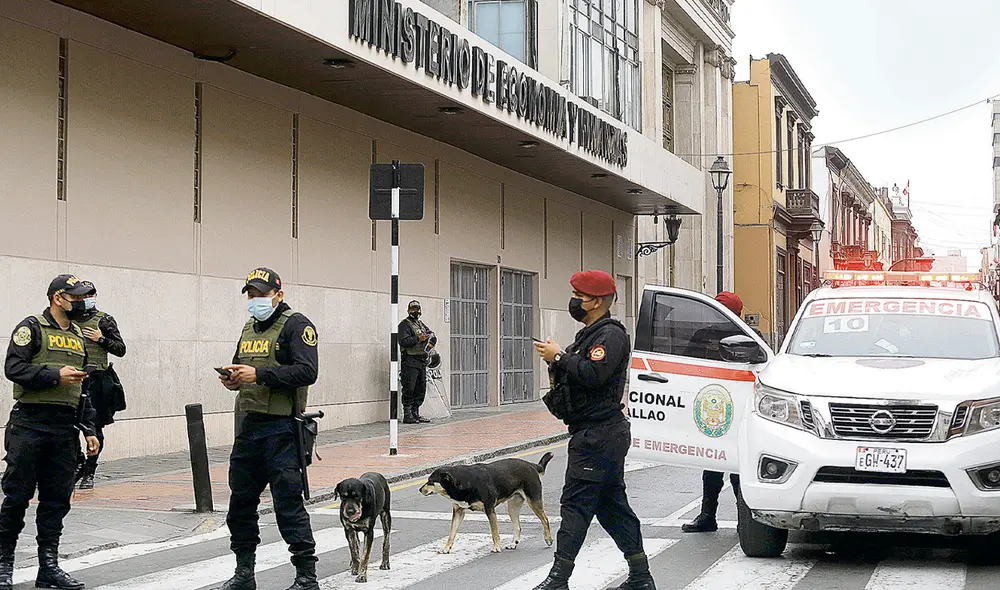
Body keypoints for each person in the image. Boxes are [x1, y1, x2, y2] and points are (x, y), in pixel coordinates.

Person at [532, 270, 655, 590]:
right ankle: (641, 577)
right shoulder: (590, 334)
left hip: (598, 436)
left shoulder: (611, 336)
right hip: (597, 434)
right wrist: (557, 360)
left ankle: (558, 580)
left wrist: (559, 355)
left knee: (575, 504)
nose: (574, 301)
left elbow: (594, 374)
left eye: (579, 296)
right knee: (612, 506)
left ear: (596, 301)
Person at [218, 267, 320, 590]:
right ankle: (244, 573)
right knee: (240, 505)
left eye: (261, 294)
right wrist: (233, 378)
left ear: (278, 295)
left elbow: (307, 371)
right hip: (249, 429)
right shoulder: (249, 328)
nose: (255, 300)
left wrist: (259, 376)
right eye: (251, 295)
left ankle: (306, 577)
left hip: (281, 430)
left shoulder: (296, 326)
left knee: (288, 505)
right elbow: (243, 366)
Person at [0, 274, 101, 590]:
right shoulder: (31, 328)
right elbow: (14, 369)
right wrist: (54, 375)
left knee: (57, 500)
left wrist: (89, 429)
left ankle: (49, 568)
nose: (82, 303)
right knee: (17, 498)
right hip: (29, 424)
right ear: (58, 297)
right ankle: (4, 568)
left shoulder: (77, 337)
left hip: (63, 428)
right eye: (77, 297)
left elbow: (82, 388)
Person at [681, 291, 754, 533]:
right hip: (714, 407)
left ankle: (736, 517)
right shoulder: (707, 334)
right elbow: (687, 366)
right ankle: (714, 516)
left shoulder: (748, 336)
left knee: (734, 467)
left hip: (733, 408)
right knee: (715, 464)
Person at [74, 280, 127, 490]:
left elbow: (120, 349)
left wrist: (101, 339)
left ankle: (89, 471)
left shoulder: (104, 320)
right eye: (82, 295)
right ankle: (77, 464)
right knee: (68, 427)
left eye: (90, 294)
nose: (86, 299)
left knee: (95, 428)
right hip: (74, 379)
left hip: (97, 381)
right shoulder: (69, 319)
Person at [397, 300, 435, 424]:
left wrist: (430, 338)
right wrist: (418, 338)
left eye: (418, 309)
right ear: (408, 310)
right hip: (410, 360)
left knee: (421, 388)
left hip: (421, 360)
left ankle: (416, 412)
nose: (416, 312)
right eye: (413, 309)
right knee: (409, 387)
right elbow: (404, 341)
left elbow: (431, 334)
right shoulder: (404, 325)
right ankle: (407, 414)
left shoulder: (420, 324)